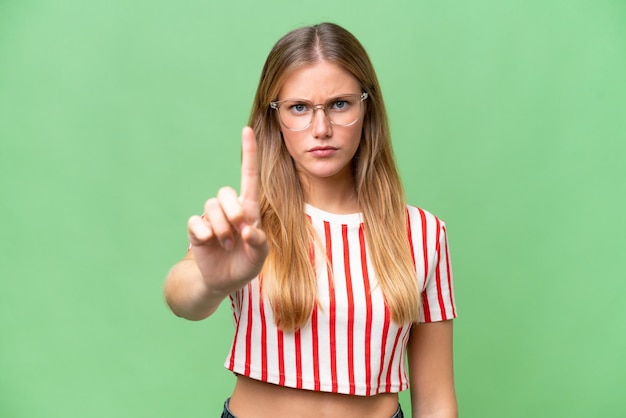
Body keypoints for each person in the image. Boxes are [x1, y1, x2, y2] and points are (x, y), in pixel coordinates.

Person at [164, 22, 457, 418]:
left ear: (366, 106)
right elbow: (181, 296)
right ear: (275, 117)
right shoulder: (244, 227)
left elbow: (436, 401)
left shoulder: (423, 234)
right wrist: (212, 282)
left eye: (339, 104)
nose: (321, 129)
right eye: (298, 108)